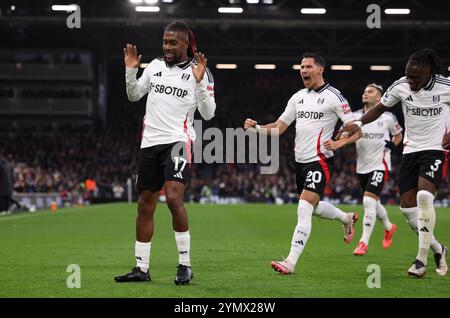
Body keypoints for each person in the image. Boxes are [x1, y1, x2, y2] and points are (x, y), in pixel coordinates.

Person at [114, 20, 216, 285]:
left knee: (172, 198)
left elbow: (208, 113)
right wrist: (130, 71)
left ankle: (184, 264)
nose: (167, 47)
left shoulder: (200, 71)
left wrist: (200, 84)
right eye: (164, 42)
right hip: (150, 143)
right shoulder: (156, 66)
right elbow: (134, 95)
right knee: (144, 205)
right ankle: (141, 268)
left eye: (173, 42)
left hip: (178, 142)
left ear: (185, 44)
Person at [244, 52, 359, 275]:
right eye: (301, 67)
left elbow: (356, 129)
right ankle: (345, 218)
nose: (303, 71)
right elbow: (279, 127)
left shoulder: (334, 97)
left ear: (320, 69)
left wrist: (339, 143)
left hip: (321, 160)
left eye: (308, 66)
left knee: (304, 208)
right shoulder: (298, 97)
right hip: (300, 163)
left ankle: (290, 261)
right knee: (314, 208)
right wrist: (256, 128)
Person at [337, 48, 449, 277]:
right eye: (408, 75)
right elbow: (379, 109)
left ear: (428, 72)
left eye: (415, 77)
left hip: (436, 149)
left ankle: (420, 260)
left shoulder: (445, 86)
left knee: (424, 197)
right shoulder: (400, 86)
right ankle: (439, 249)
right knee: (408, 209)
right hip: (411, 151)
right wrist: (358, 124)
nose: (410, 80)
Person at [324, 84, 403, 255]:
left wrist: (393, 144)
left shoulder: (388, 117)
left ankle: (363, 242)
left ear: (379, 97)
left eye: (370, 91)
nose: (365, 93)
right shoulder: (356, 117)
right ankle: (389, 227)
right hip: (362, 166)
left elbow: (398, 135)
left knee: (368, 201)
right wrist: (340, 137)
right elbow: (345, 132)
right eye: (364, 90)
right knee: (374, 202)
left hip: (380, 165)